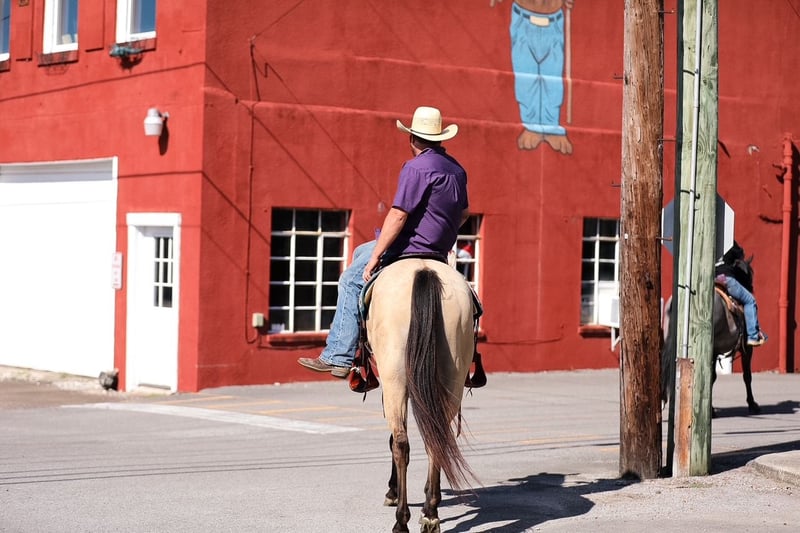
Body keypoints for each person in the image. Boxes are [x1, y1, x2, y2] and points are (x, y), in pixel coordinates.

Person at [298, 106, 470, 377]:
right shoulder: (457, 170)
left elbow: (399, 215)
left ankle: (339, 356)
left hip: (407, 247)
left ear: (411, 138)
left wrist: (377, 256)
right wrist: (441, 234)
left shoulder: (415, 167)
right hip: (438, 251)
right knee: (360, 250)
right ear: (439, 138)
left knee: (351, 278)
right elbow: (464, 215)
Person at [715, 242, 767, 347]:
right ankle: (753, 336)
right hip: (725, 278)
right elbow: (740, 254)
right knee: (750, 301)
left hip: (713, 278)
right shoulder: (729, 242)